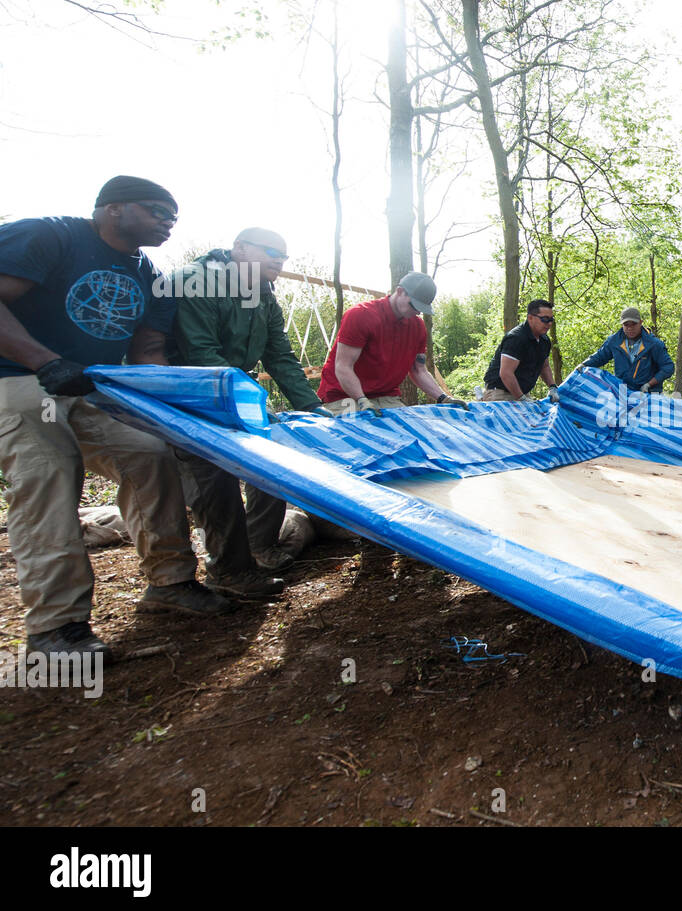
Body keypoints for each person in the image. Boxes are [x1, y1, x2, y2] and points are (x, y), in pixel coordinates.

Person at [0, 175, 231, 658]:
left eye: (173, 217)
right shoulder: (50, 237)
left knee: (150, 454)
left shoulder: (150, 276)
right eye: (156, 211)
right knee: (50, 471)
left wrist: (174, 407)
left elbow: (148, 351)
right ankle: (55, 628)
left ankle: (170, 582)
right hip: (16, 377)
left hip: (90, 387)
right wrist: (44, 360)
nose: (168, 223)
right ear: (112, 209)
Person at [166, 227, 330, 592]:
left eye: (284, 256)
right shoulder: (197, 282)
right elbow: (201, 355)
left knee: (272, 457)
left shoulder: (264, 294)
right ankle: (227, 570)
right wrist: (247, 404)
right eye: (271, 251)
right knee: (214, 480)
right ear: (240, 249)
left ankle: (260, 547)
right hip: (193, 398)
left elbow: (280, 356)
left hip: (237, 391)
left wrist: (312, 407)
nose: (279, 260)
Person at [317, 271, 467, 416]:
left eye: (421, 309)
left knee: (411, 433)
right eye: (414, 306)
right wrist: (362, 400)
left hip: (386, 397)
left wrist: (443, 398)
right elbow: (343, 366)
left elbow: (418, 370)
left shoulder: (418, 327)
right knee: (364, 434)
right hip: (343, 396)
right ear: (400, 291)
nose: (417, 312)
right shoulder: (361, 315)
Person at [578, 306, 675, 393]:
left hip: (650, 393)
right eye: (626, 324)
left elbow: (668, 367)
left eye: (633, 324)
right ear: (622, 325)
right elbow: (600, 357)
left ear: (641, 323)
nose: (630, 328)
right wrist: (584, 364)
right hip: (623, 392)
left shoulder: (654, 344)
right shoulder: (614, 341)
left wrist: (649, 384)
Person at [480, 298, 559, 402]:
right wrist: (521, 399)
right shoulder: (516, 338)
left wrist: (552, 387)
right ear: (530, 318)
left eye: (551, 319)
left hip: (521, 393)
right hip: (500, 393)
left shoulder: (544, 340)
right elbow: (506, 373)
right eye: (544, 319)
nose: (549, 323)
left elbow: (544, 366)